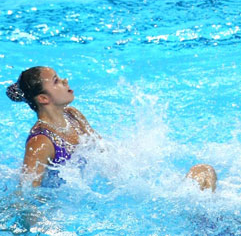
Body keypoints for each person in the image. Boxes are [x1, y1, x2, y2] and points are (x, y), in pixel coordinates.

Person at [7, 66, 217, 191]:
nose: (65, 80)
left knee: (204, 172)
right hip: (66, 207)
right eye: (56, 81)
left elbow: (104, 153)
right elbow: (27, 195)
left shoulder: (73, 116)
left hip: (96, 189)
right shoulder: (40, 142)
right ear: (44, 98)